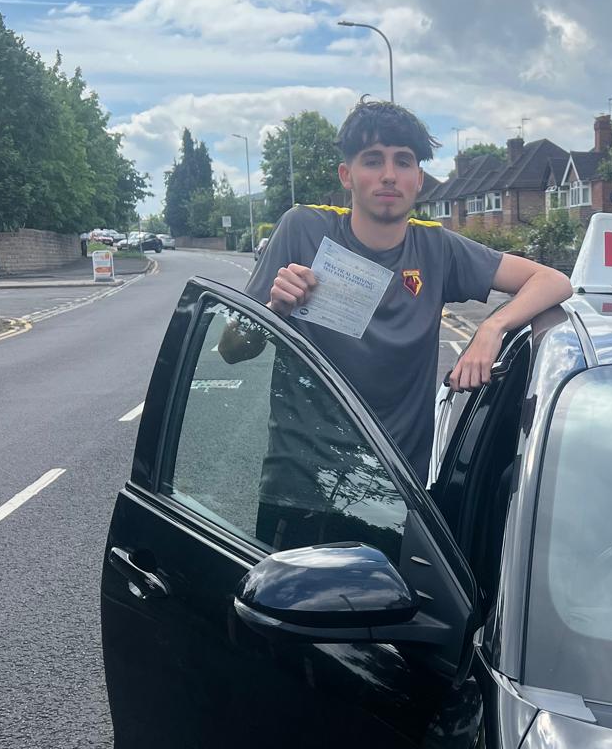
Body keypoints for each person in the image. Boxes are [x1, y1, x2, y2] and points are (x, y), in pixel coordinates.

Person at [218, 99, 572, 544]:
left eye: (403, 161)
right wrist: (273, 311)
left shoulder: (436, 248)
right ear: (347, 175)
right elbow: (232, 351)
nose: (389, 174)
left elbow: (553, 280)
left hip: (391, 494)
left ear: (418, 179)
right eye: (373, 160)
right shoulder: (302, 229)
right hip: (300, 492)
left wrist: (491, 329)